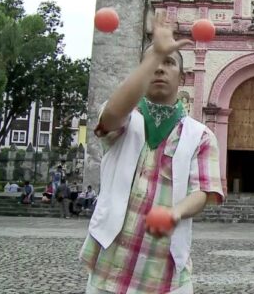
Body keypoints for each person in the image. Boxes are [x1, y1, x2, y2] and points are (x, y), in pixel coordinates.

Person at [80, 15, 224, 294]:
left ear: (182, 78)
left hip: (165, 272)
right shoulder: (126, 119)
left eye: (169, 62)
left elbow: (203, 191)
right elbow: (110, 116)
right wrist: (157, 52)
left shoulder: (200, 135)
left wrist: (175, 212)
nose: (160, 68)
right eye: (153, 64)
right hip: (111, 268)